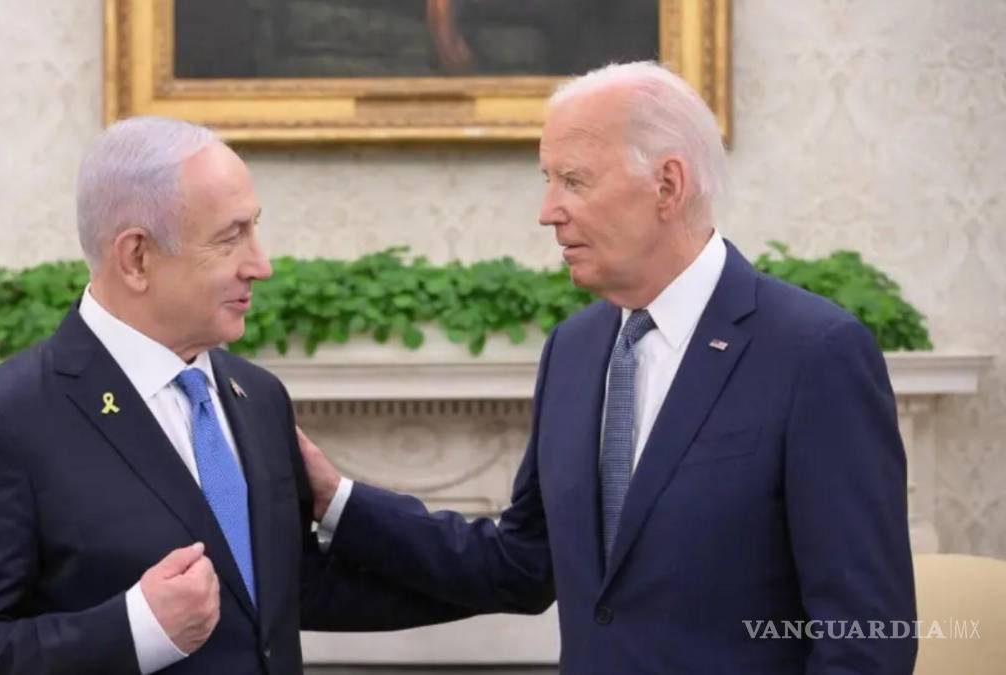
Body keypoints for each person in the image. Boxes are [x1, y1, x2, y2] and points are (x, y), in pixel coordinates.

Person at [298, 61, 919, 673]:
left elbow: (867, 639)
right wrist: (337, 499)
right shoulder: (573, 349)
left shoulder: (814, 352)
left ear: (667, 185)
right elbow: (522, 564)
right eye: (548, 179)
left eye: (574, 180)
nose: (548, 210)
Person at [0, 116, 465, 675]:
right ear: (137, 258)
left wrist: (506, 567)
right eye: (230, 238)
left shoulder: (258, 396)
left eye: (254, 229)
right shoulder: (1, 421)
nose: (261, 265)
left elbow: (286, 591)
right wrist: (137, 630)